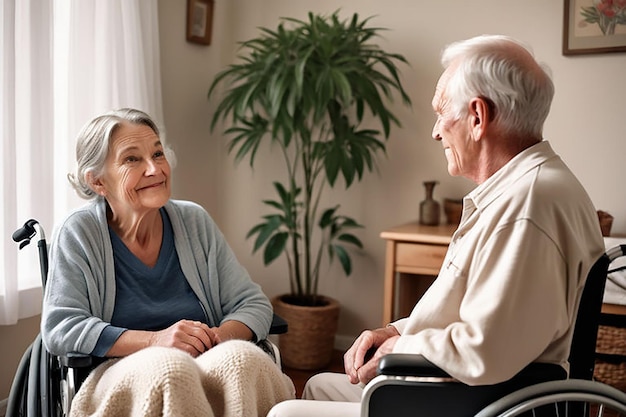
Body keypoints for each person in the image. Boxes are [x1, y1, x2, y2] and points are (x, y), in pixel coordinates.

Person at [268, 34, 605, 417]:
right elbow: (480, 316)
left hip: (476, 403)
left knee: (285, 413)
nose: (435, 130)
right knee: (316, 386)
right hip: (468, 388)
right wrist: (395, 332)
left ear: (478, 117)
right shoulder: (528, 189)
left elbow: (484, 350)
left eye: (441, 111)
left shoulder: (527, 209)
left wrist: (400, 349)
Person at [41, 108, 295, 417]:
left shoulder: (193, 220)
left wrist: (216, 340)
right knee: (170, 368)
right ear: (97, 181)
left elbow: (251, 303)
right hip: (117, 371)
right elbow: (62, 327)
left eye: (158, 154)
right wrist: (156, 341)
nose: (154, 169)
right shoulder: (79, 232)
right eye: (132, 159)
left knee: (241, 358)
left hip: (206, 359)